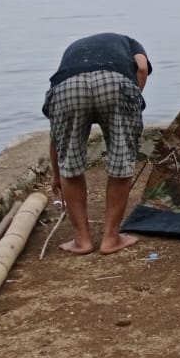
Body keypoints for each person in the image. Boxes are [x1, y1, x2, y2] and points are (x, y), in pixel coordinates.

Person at [42, 33, 153, 254]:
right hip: (114, 82)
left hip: (68, 86)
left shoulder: (74, 49)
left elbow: (57, 136)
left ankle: (81, 241)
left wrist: (56, 174)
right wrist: (132, 98)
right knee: (121, 161)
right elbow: (141, 68)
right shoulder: (131, 43)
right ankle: (111, 238)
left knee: (70, 166)